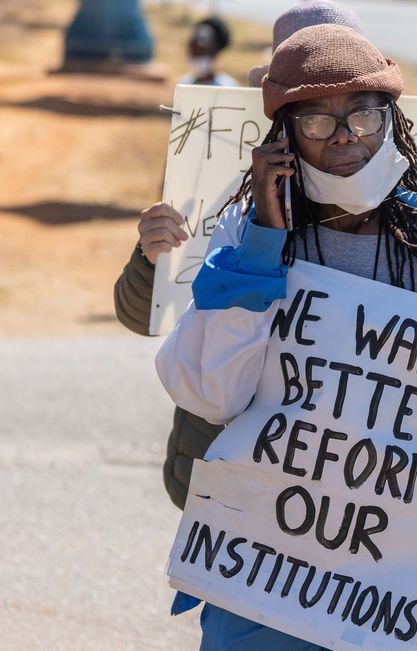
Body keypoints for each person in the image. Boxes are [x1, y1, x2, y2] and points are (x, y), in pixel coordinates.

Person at [154, 24, 417, 650]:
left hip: (401, 593)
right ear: (284, 136)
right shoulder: (245, 235)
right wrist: (263, 242)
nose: (346, 136)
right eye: (317, 122)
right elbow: (209, 392)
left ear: (391, 122)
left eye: (364, 116)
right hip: (263, 587)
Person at [113, 1, 364, 510]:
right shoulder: (220, 190)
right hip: (221, 460)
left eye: (349, 105)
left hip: (341, 483)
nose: (334, 130)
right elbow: (144, 315)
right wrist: (151, 257)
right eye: (312, 104)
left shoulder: (403, 214)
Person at [178, 16, 238, 87]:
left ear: (214, 51)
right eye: (194, 51)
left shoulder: (227, 86)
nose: (197, 56)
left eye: (201, 52)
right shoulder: (184, 84)